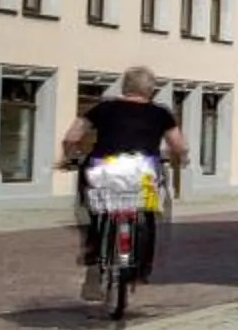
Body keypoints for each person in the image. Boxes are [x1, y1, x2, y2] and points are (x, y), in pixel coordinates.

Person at [60, 69, 188, 283]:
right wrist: (181, 160)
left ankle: (92, 247)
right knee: (151, 212)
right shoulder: (161, 113)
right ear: (150, 90)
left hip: (105, 169)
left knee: (90, 204)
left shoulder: (103, 108)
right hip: (143, 171)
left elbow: (72, 136)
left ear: (124, 87)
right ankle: (144, 265)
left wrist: (67, 157)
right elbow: (179, 146)